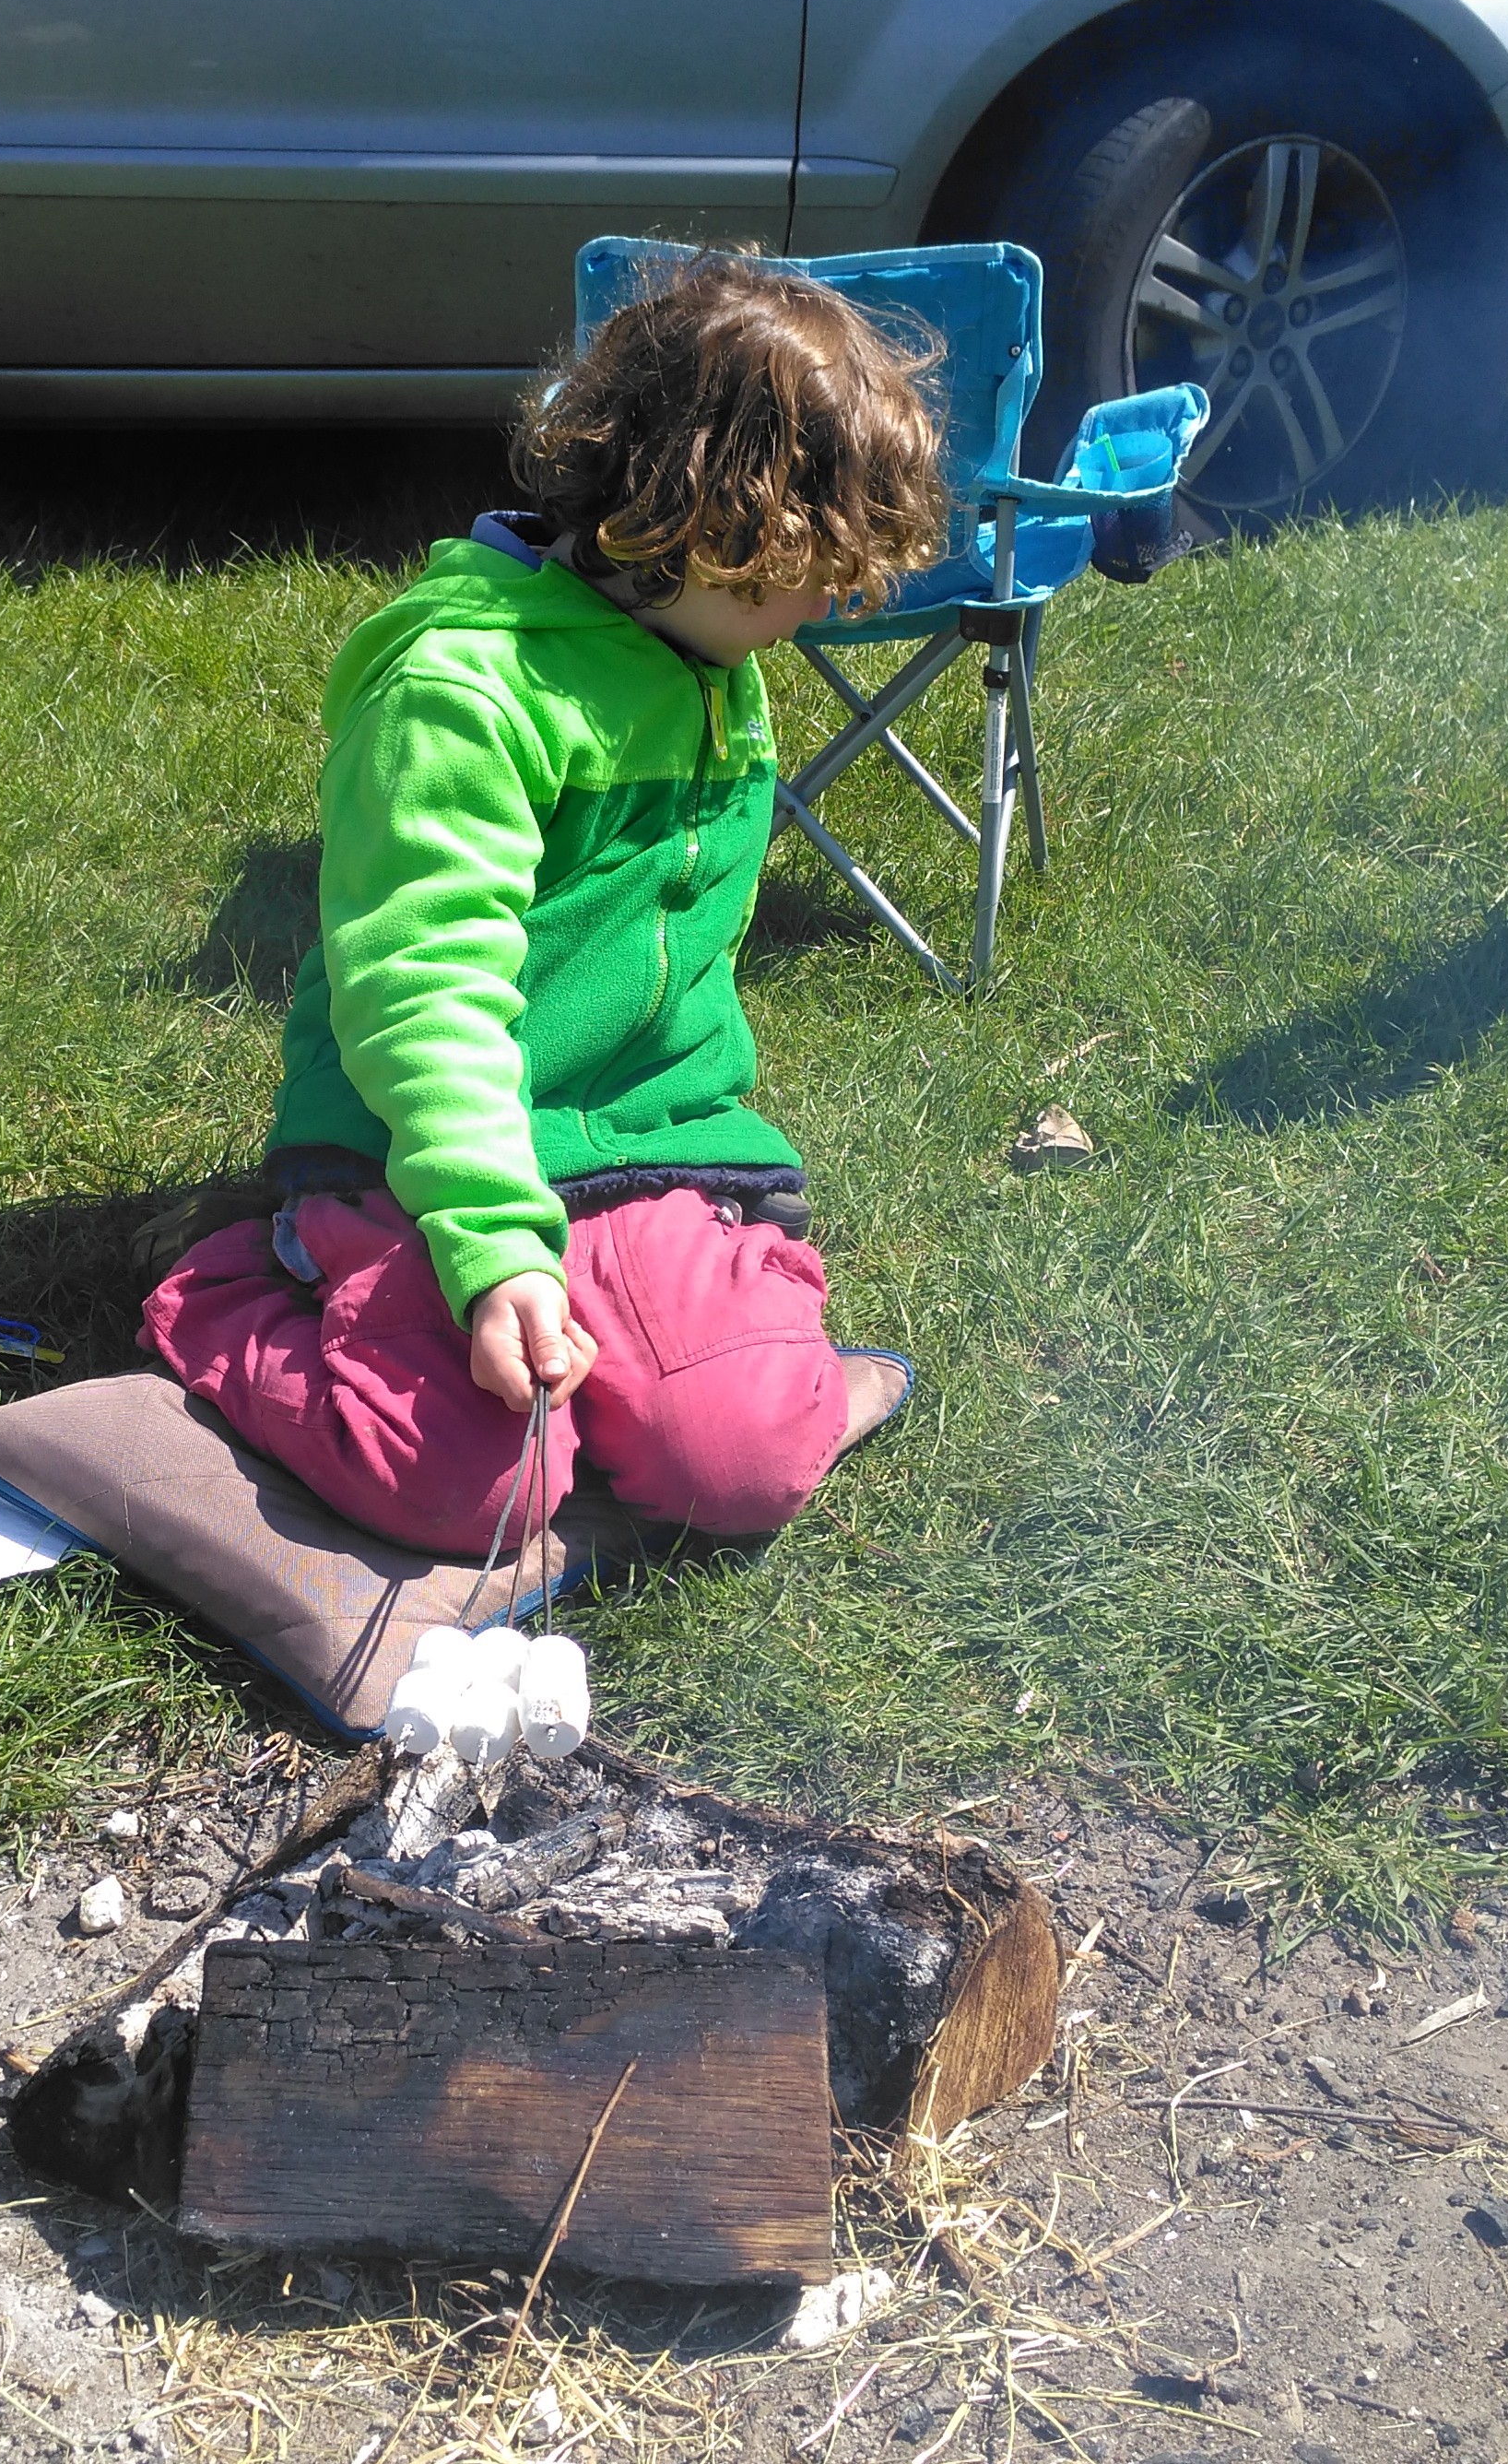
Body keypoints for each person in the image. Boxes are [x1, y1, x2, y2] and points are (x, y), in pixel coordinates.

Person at [141, 252, 948, 1554]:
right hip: (430, 1154)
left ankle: (735, 1375)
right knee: (480, 1488)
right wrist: (498, 1251)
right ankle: (233, 1286)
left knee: (741, 1465)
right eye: (825, 563)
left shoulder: (699, 644)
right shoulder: (461, 693)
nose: (845, 600)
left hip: (633, 1142)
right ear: (714, 523)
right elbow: (426, 989)